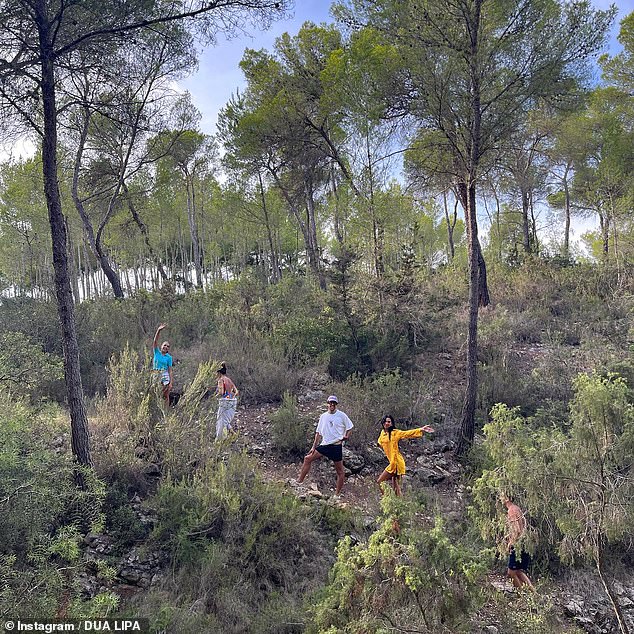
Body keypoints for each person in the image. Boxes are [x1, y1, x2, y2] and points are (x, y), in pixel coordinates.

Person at [297, 395, 353, 498]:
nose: (332, 405)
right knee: (307, 459)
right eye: (330, 403)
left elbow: (350, 427)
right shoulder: (323, 416)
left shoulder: (342, 415)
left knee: (340, 471)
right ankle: (299, 482)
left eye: (334, 403)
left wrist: (346, 437)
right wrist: (313, 447)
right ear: (327, 403)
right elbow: (318, 433)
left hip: (336, 446)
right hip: (325, 445)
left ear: (336, 404)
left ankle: (337, 495)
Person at [377, 415, 434, 496]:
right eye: (385, 422)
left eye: (389, 422)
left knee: (380, 481)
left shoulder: (395, 433)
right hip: (392, 463)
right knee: (395, 487)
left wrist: (421, 429)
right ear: (382, 423)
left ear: (392, 423)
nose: (387, 423)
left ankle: (386, 499)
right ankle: (395, 503)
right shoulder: (382, 433)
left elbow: (407, 433)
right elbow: (380, 441)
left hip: (396, 463)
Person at [501, 494, 534, 590]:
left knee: (511, 573)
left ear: (507, 498)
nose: (500, 498)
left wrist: (511, 542)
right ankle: (534, 595)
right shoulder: (516, 508)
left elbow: (517, 529)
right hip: (524, 541)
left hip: (518, 543)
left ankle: (522, 595)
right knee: (518, 571)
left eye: (502, 496)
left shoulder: (512, 510)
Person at [215, 362, 239, 441]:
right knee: (225, 420)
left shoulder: (220, 380)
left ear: (219, 373)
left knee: (221, 421)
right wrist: (231, 396)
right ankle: (233, 434)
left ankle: (221, 440)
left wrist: (214, 396)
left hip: (224, 402)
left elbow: (221, 392)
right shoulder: (229, 379)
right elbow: (236, 391)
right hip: (232, 401)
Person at [152, 323, 173, 407]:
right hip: (156, 372)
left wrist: (171, 382)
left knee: (166, 394)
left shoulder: (169, 357)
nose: (166, 347)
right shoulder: (156, 352)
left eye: (168, 346)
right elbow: (155, 341)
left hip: (164, 374)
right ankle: (155, 406)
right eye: (165, 345)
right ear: (161, 346)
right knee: (155, 391)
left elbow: (170, 370)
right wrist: (159, 330)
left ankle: (166, 411)